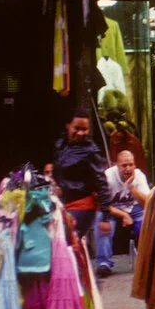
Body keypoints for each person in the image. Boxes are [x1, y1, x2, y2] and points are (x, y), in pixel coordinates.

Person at [52, 109, 113, 274]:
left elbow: (101, 183)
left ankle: (76, 287)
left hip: (81, 206)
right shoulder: (60, 145)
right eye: (76, 128)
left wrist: (105, 216)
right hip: (62, 204)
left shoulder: (91, 151)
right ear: (68, 126)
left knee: (69, 246)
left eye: (84, 129)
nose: (80, 133)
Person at [96, 149, 151, 274]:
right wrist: (124, 215)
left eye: (131, 165)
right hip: (112, 210)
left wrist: (131, 186)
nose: (128, 169)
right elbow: (102, 204)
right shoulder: (108, 176)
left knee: (149, 218)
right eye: (124, 165)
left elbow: (147, 202)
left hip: (134, 209)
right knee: (101, 218)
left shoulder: (139, 175)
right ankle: (104, 263)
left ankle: (148, 261)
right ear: (117, 165)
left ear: (135, 165)